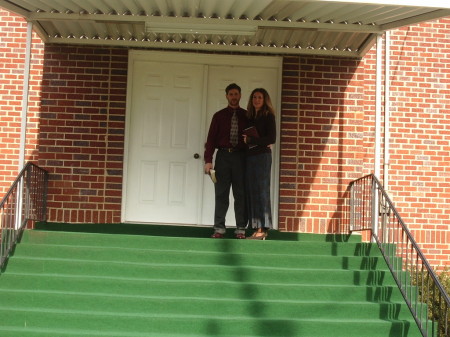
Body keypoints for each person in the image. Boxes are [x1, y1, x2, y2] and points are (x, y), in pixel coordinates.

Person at [204, 83, 248, 239]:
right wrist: (208, 160)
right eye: (231, 94)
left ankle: (241, 229)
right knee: (221, 194)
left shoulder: (247, 115)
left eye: (236, 94)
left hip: (241, 158)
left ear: (240, 95)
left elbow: (254, 137)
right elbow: (210, 140)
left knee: (240, 194)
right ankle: (219, 228)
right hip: (223, 157)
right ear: (226, 96)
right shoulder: (219, 116)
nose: (234, 97)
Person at [243, 88, 276, 240]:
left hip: (262, 157)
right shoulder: (249, 116)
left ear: (264, 100)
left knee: (262, 191)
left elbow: (271, 139)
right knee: (252, 191)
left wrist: (251, 140)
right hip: (250, 156)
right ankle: (255, 228)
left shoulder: (268, 116)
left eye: (260, 97)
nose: (256, 100)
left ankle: (263, 229)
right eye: (254, 97)